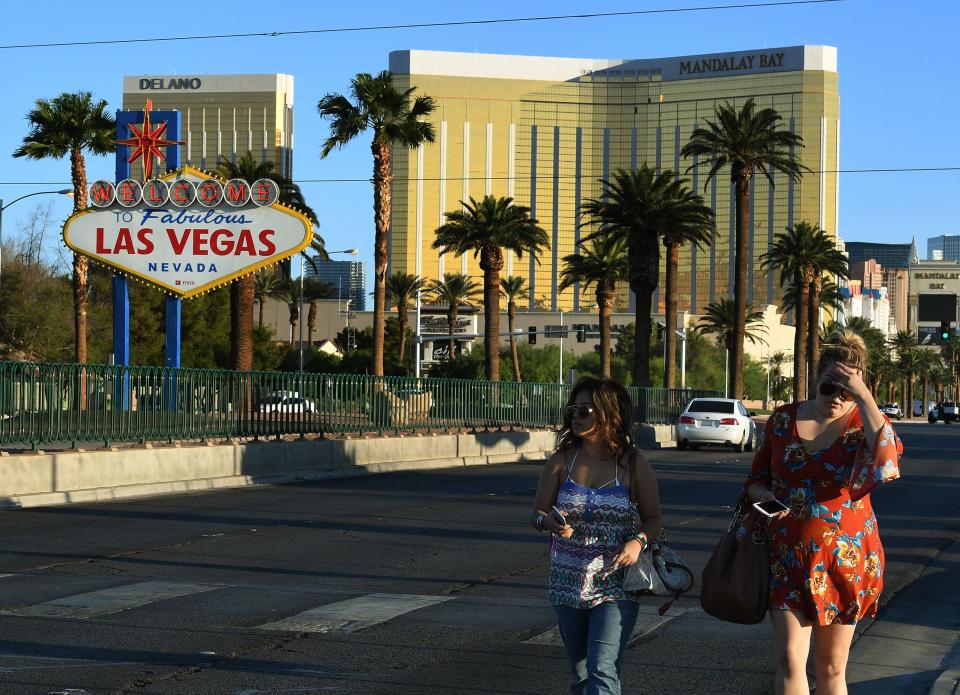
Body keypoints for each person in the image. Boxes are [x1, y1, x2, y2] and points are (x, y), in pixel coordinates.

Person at [742, 330, 903, 694]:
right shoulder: (782, 421)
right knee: (788, 659)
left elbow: (888, 465)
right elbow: (754, 479)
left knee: (830, 668)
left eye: (847, 392)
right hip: (786, 557)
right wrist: (765, 495)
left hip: (845, 562)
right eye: (829, 388)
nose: (836, 398)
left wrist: (865, 399)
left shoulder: (865, 426)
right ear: (816, 381)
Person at [531, 377, 662, 695]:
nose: (576, 416)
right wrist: (548, 523)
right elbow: (537, 512)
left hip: (615, 585)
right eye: (573, 409)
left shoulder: (632, 464)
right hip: (567, 584)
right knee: (581, 677)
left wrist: (637, 541)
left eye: (585, 410)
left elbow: (653, 518)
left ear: (608, 413)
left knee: (602, 671)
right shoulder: (562, 461)